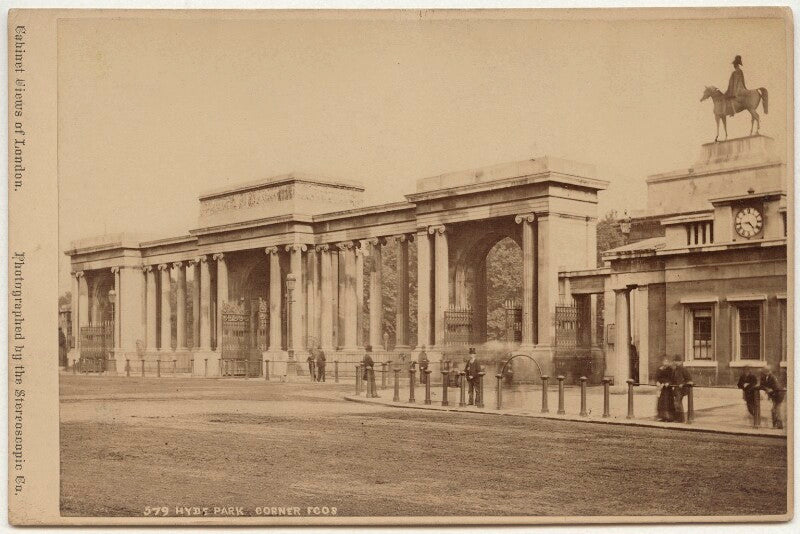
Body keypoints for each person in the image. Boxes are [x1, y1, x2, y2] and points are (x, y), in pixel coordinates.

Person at [671, 356, 692, 423]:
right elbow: (673, 379)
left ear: (680, 362)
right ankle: (679, 418)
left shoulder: (683, 369)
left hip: (681, 389)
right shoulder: (675, 369)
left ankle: (681, 419)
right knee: (677, 403)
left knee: (677, 403)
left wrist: (682, 384)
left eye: (677, 361)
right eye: (675, 361)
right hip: (676, 389)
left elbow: (689, 379)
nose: (675, 362)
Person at [655, 357, 674, 422]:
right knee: (661, 402)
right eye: (664, 361)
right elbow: (657, 377)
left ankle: (668, 417)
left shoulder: (670, 369)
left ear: (668, 362)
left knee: (667, 402)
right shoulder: (660, 369)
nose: (665, 362)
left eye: (666, 361)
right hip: (661, 388)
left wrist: (668, 383)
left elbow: (672, 378)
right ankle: (661, 416)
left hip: (667, 389)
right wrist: (657, 381)